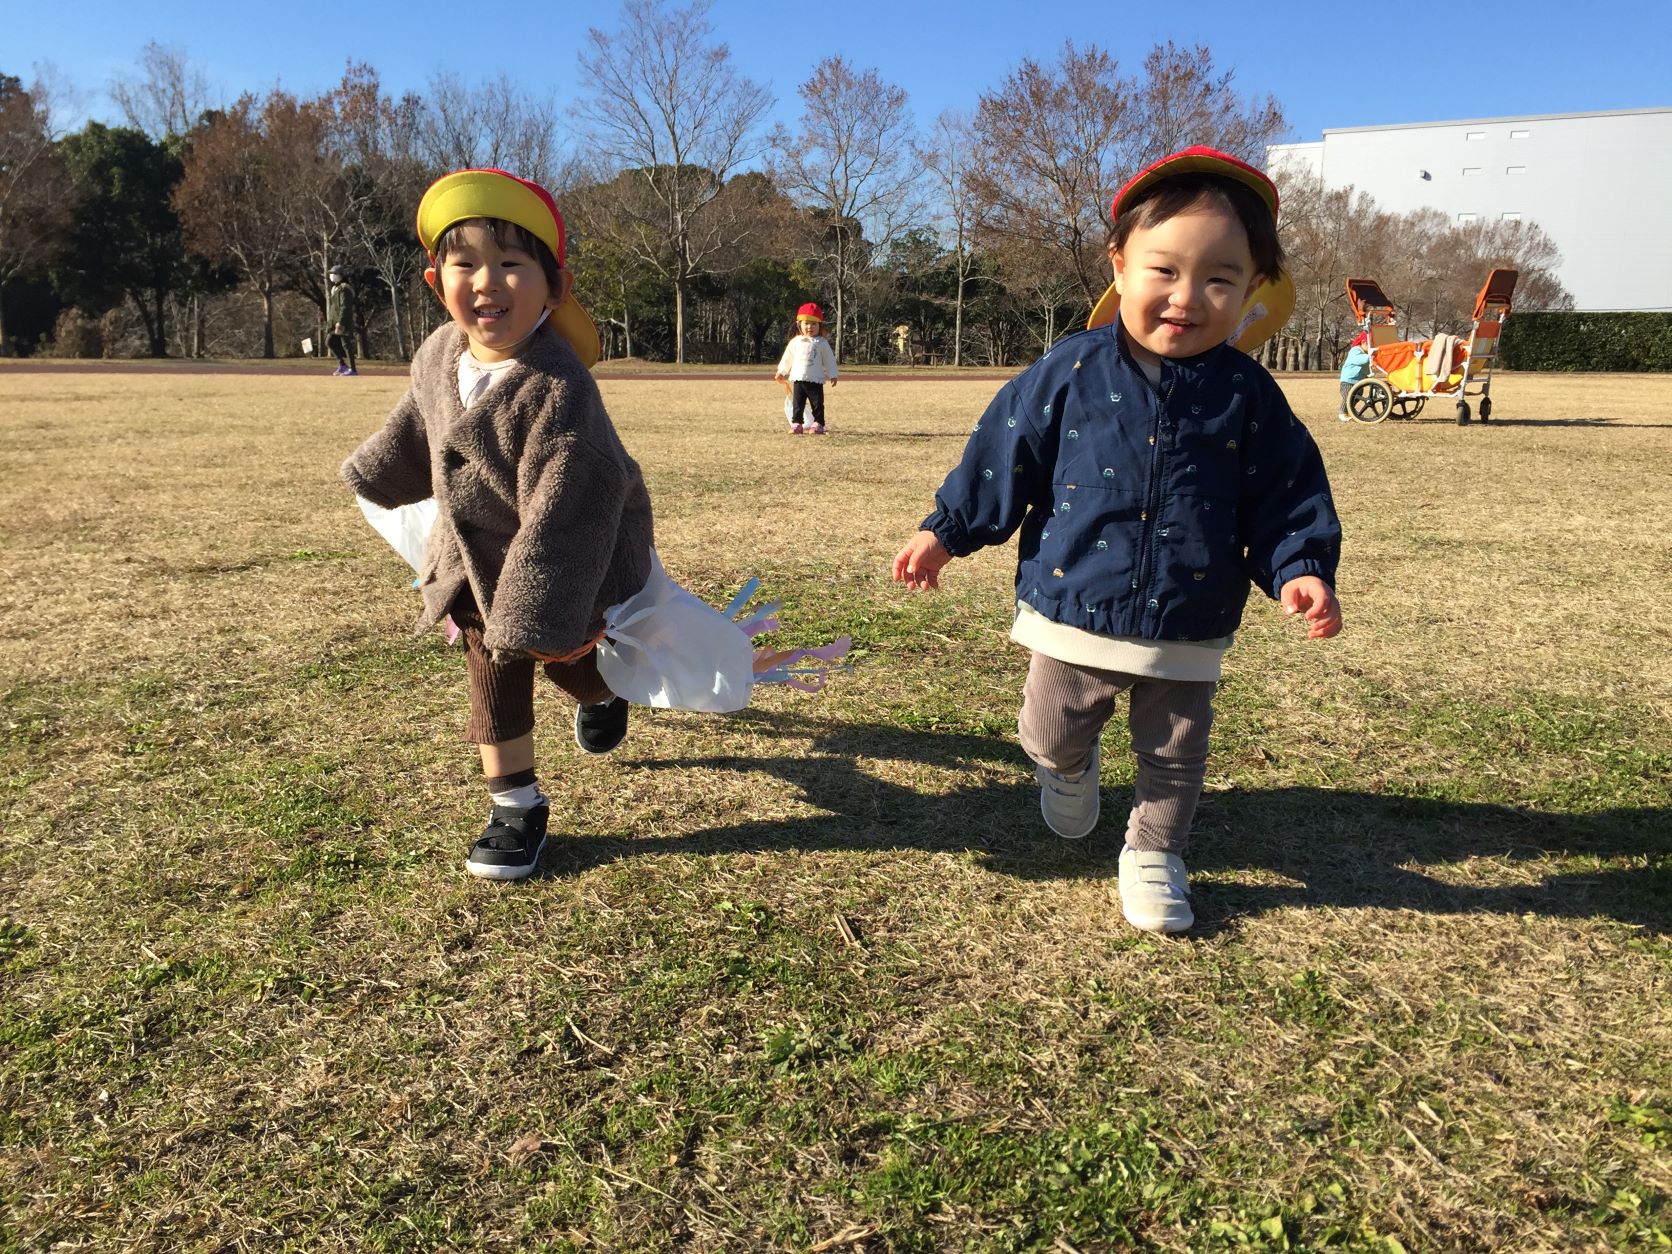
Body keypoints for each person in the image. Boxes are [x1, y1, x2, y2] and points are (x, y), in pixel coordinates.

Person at [891, 146, 1343, 935]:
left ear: (1252, 292)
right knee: (1047, 729)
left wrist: (1300, 567)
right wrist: (948, 533)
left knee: (1175, 750)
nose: (1187, 297)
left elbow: (1286, 490)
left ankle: (1154, 851)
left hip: (1190, 609)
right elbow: (1006, 453)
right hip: (1074, 597)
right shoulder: (1070, 367)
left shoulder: (1250, 395)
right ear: (1120, 264)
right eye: (1164, 270)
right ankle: (1068, 768)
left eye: (1220, 279)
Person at [341, 168, 653, 881]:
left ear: (554, 287)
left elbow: (574, 506)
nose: (488, 282)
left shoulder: (558, 387)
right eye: (467, 264)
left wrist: (535, 613)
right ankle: (515, 805)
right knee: (491, 671)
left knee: (567, 665)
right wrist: (376, 474)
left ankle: (603, 693)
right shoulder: (438, 354)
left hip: (571, 556)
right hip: (476, 555)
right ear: (434, 280)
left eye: (512, 265)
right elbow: (422, 426)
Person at [774, 302, 838, 434]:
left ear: (819, 325)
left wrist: (833, 373)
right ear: (799, 324)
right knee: (798, 403)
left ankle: (818, 423)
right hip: (798, 378)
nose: (810, 327)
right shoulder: (796, 342)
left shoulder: (822, 343)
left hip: (815, 379)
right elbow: (788, 358)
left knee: (817, 403)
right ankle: (797, 423)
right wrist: (782, 371)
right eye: (806, 323)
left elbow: (829, 359)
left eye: (814, 324)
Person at [325, 265, 359, 376]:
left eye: (334, 274)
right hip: (334, 321)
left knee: (346, 345)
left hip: (343, 321)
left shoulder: (345, 289)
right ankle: (342, 365)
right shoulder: (335, 288)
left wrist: (341, 322)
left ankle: (353, 370)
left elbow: (345, 306)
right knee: (329, 342)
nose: (331, 276)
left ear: (340, 276)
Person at [1338, 330, 1371, 421]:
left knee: (1357, 397)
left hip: (1358, 381)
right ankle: (1342, 413)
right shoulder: (1355, 350)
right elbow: (1359, 360)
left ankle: (1350, 412)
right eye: (1370, 345)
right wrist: (1370, 357)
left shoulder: (1365, 353)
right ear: (1363, 342)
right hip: (1348, 380)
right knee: (1348, 397)